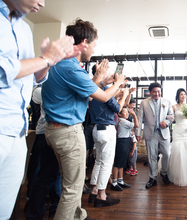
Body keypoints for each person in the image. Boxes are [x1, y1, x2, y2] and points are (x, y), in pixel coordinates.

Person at [0, 1, 87, 218]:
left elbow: (33, 80)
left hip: (17, 131)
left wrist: (50, 60)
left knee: (5, 209)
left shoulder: (24, 29)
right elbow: (4, 72)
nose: (42, 2)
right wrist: (46, 58)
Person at [42, 19, 125, 220]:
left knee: (71, 182)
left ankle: (79, 216)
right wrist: (119, 83)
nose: (94, 49)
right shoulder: (72, 68)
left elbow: (85, 95)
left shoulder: (61, 64)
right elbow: (104, 97)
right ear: (85, 43)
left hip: (55, 130)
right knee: (73, 189)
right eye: (94, 45)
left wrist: (98, 78)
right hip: (68, 132)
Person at [88, 82, 129, 207]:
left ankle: (94, 190)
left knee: (99, 161)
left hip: (96, 129)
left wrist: (119, 93)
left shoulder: (93, 89)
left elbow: (109, 104)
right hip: (107, 129)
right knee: (106, 163)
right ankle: (101, 195)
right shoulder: (105, 90)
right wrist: (125, 94)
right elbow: (118, 108)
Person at [26, 86, 62, 219]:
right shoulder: (42, 89)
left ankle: (45, 207)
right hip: (48, 131)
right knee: (45, 174)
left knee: (50, 173)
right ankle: (36, 208)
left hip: (47, 131)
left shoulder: (46, 87)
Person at [136, 82, 174, 188]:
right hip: (150, 133)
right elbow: (139, 118)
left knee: (167, 154)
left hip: (164, 133)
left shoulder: (167, 101)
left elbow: (171, 116)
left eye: (158, 91)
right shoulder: (144, 102)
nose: (157, 94)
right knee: (152, 156)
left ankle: (164, 173)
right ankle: (152, 177)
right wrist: (138, 133)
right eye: (154, 92)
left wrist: (166, 123)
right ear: (150, 92)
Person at [111, 107, 139, 191]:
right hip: (122, 142)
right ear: (119, 114)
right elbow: (137, 125)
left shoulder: (122, 121)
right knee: (117, 163)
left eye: (128, 112)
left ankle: (120, 181)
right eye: (125, 112)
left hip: (125, 142)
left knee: (122, 162)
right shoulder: (123, 122)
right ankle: (114, 182)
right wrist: (134, 114)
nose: (127, 114)